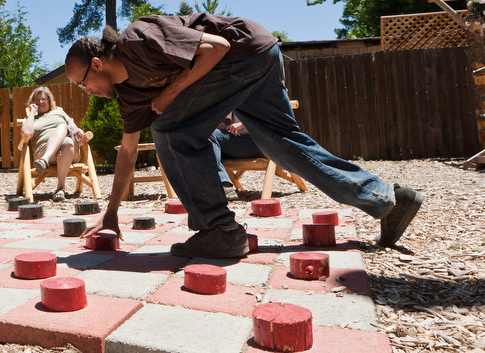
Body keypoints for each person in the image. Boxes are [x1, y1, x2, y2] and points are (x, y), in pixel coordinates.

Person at [66, 13, 423, 258]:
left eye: (82, 83)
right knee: (282, 145)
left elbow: (217, 47)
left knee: (171, 129)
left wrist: (172, 93)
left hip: (243, 52)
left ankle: (219, 231)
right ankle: (388, 200)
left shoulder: (139, 39)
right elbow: (128, 152)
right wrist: (111, 213)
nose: (86, 92)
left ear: (97, 64)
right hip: (258, 56)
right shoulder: (129, 96)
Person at [21, 86, 85, 201]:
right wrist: (32, 113)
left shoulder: (59, 112)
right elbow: (26, 133)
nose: (40, 102)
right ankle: (60, 188)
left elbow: (72, 126)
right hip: (42, 150)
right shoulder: (31, 117)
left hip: (68, 151)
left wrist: (79, 132)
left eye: (44, 99)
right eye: (37, 99)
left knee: (64, 130)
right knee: (65, 136)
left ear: (49, 101)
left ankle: (59, 186)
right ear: (33, 102)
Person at [210, 113, 262, 201]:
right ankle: (220, 185)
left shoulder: (257, 99)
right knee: (207, 138)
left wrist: (241, 124)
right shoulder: (229, 99)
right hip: (240, 140)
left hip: (260, 143)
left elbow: (266, 118)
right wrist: (219, 123)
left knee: (211, 136)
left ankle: (221, 184)